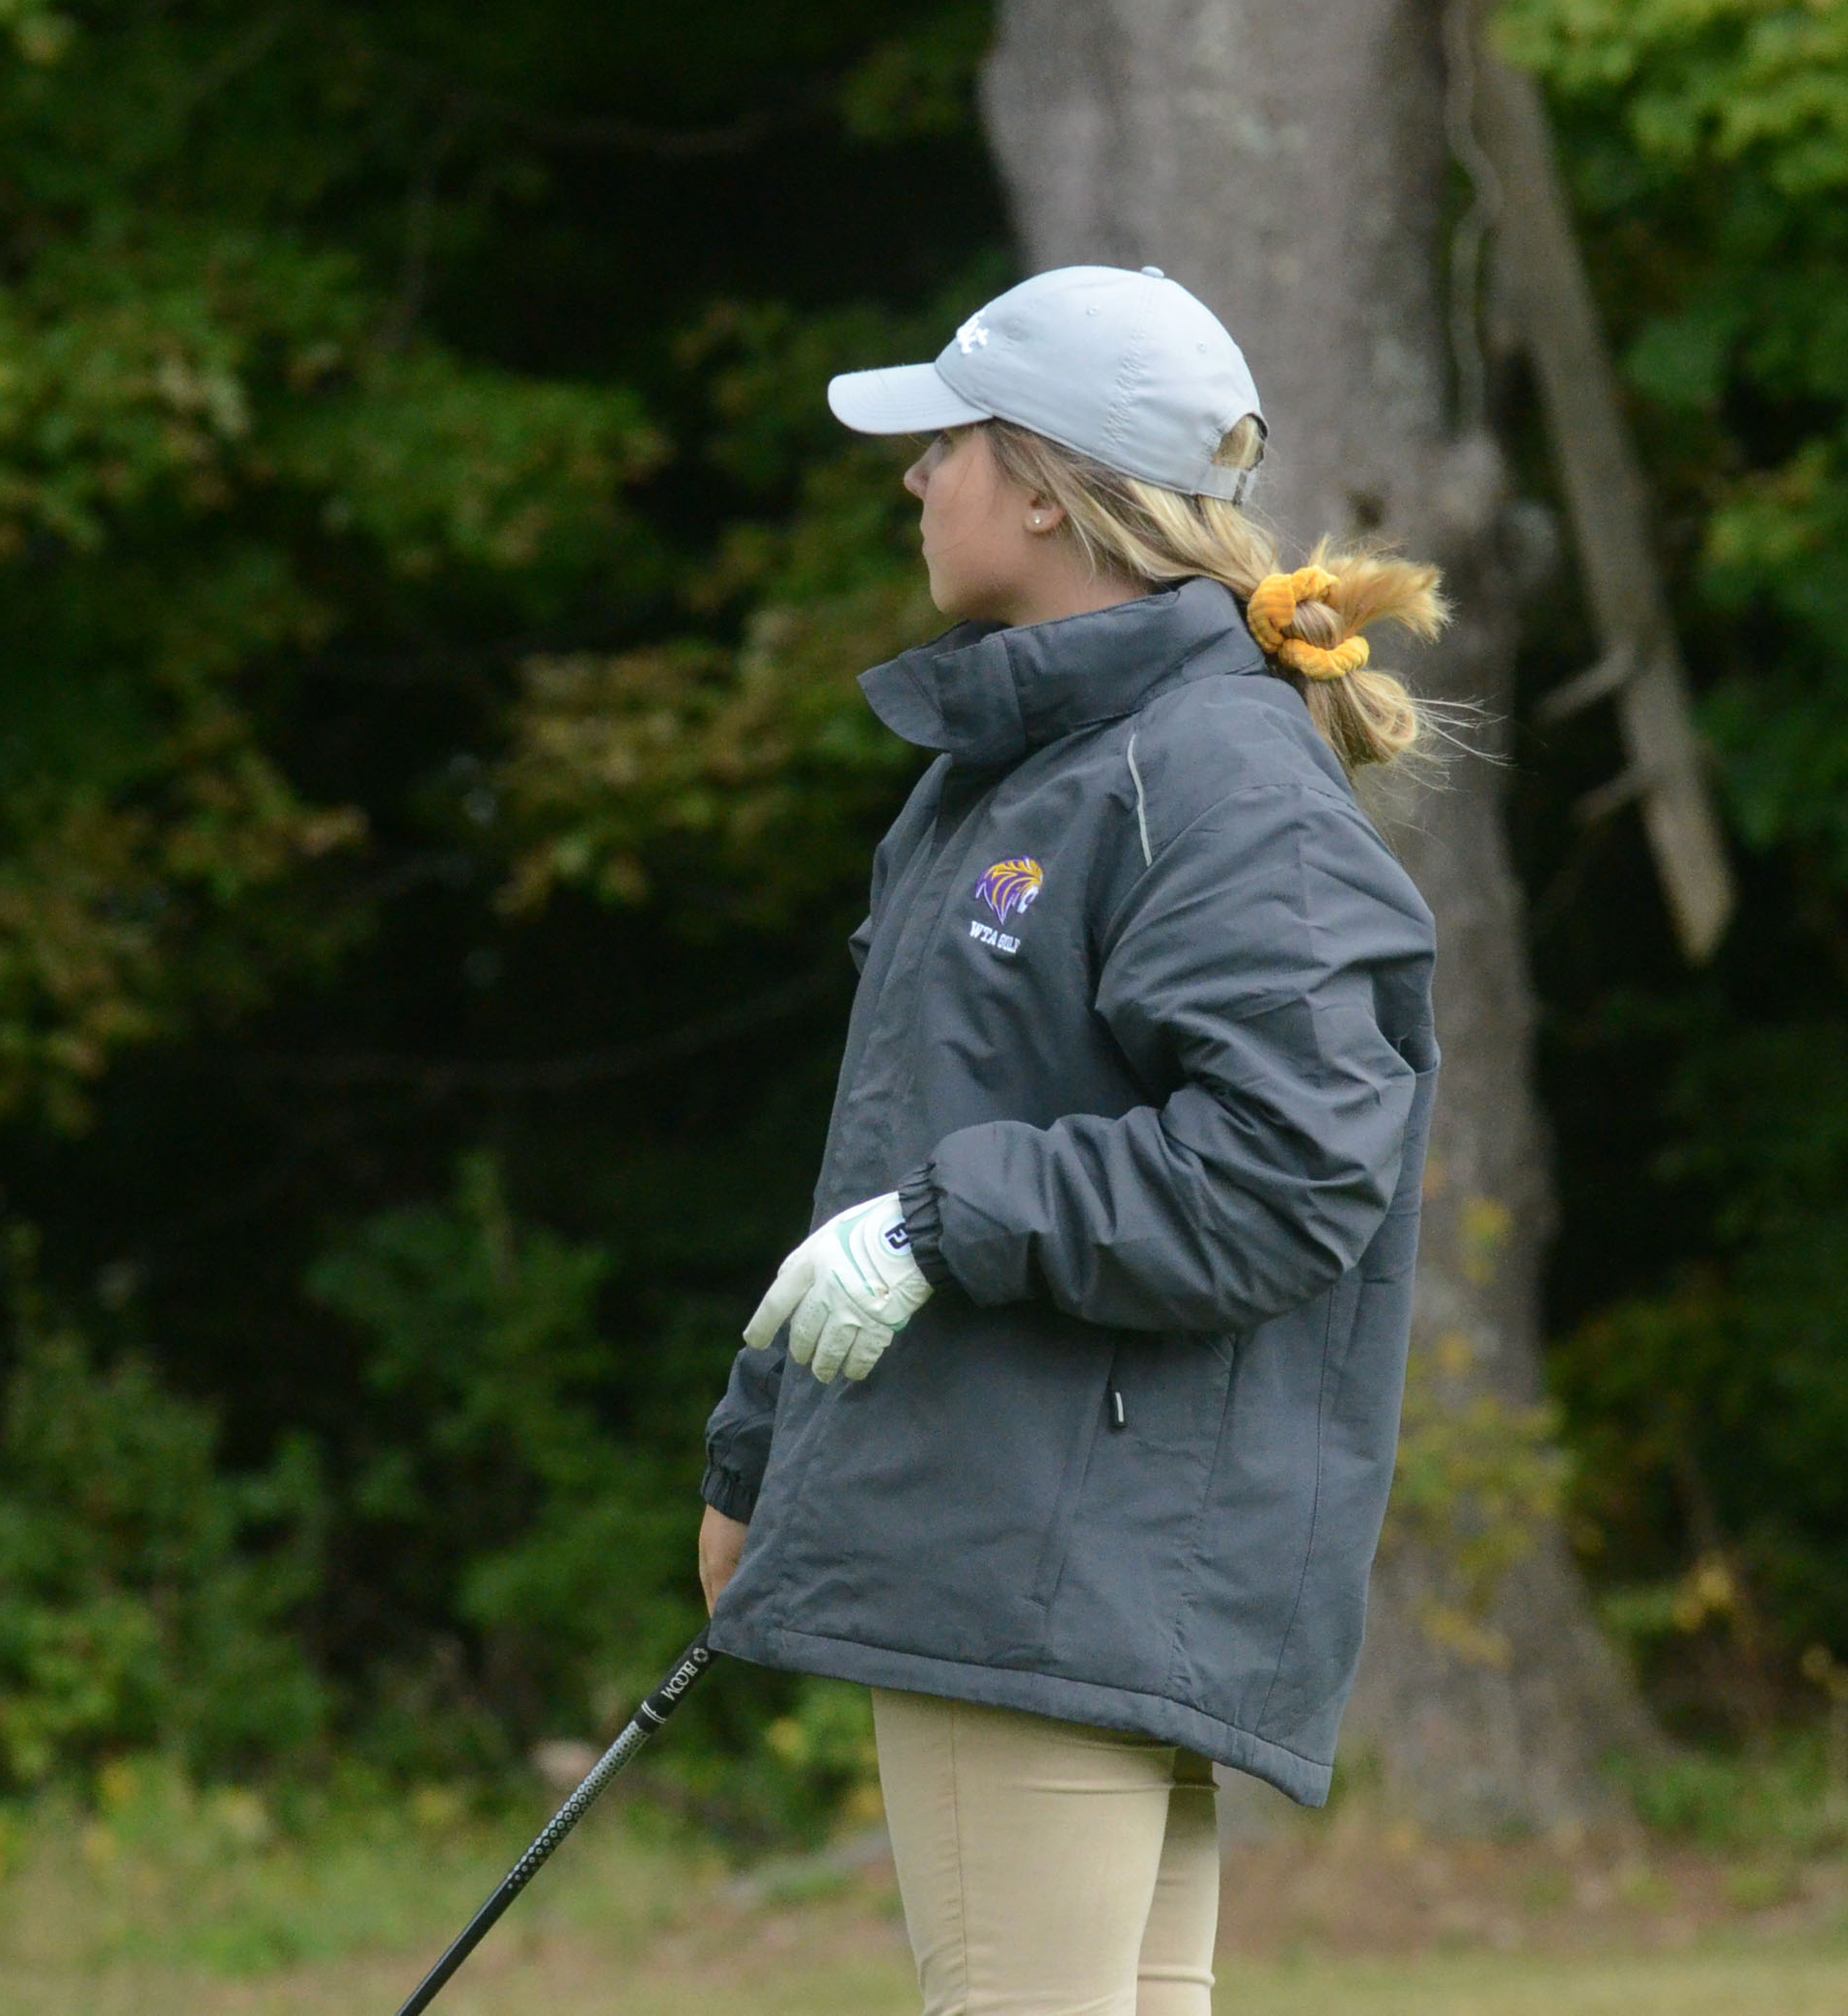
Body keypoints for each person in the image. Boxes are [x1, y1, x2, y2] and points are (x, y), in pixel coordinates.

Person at [693, 266, 1445, 2016]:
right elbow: (896, 1143)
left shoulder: (1203, 773)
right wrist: (758, 1458)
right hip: (1018, 1542)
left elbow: (1287, 1167)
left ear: (1040, 482)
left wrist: (953, 1223)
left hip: (1050, 1564)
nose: (913, 478)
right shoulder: (1009, 770)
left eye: (941, 442)